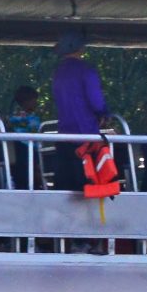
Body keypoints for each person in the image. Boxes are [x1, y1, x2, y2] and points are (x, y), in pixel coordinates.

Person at [49, 31, 107, 192]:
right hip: (85, 133)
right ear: (78, 48)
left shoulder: (58, 73)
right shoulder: (86, 71)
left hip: (64, 135)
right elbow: (96, 100)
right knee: (86, 184)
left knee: (65, 186)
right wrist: (103, 113)